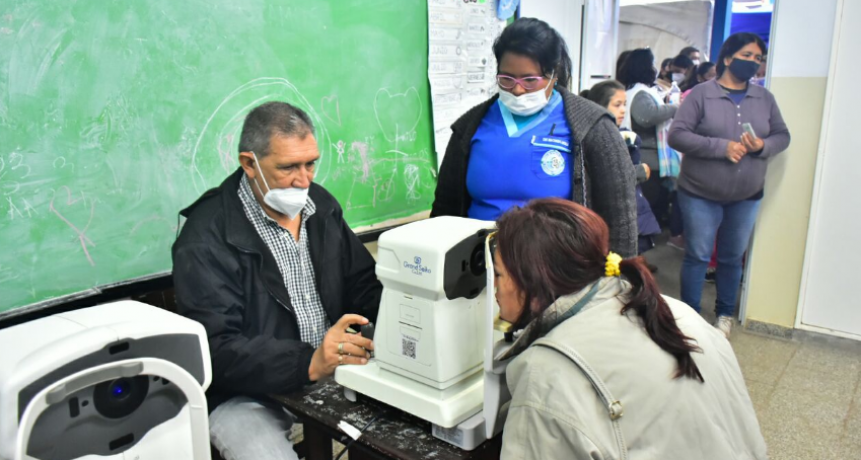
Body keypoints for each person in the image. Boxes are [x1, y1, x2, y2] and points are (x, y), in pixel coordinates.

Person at [173, 101, 383, 459]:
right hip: (245, 393)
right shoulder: (205, 237)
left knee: (395, 434)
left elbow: (363, 283)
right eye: (288, 167)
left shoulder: (320, 206)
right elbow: (216, 349)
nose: (304, 180)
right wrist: (307, 362)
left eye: (311, 163)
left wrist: (398, 321)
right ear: (249, 163)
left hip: (331, 366)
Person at [493, 198, 767, 460]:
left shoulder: (546, 375)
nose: (493, 288)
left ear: (532, 282)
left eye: (498, 274)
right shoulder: (676, 312)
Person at [432, 17, 637, 257]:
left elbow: (621, 218)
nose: (517, 90)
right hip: (480, 270)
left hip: (559, 273)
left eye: (530, 80)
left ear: (553, 74)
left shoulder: (592, 127)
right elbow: (444, 210)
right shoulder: (470, 128)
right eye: (507, 79)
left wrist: (620, 279)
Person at [668, 33, 790, 337]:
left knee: (732, 257)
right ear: (727, 58)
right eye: (746, 55)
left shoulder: (765, 98)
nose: (753, 62)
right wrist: (721, 147)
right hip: (699, 193)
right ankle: (690, 316)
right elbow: (677, 135)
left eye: (758, 58)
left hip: (746, 195)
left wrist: (762, 145)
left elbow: (782, 136)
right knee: (697, 254)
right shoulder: (700, 94)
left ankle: (724, 313)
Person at [580, 80, 660, 260]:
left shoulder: (628, 136)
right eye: (617, 105)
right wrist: (638, 171)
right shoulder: (591, 138)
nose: (623, 110)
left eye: (624, 104)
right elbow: (608, 176)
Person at [618, 48, 678, 226]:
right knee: (648, 203)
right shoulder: (640, 93)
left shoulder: (637, 90)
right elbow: (646, 116)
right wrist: (675, 108)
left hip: (647, 157)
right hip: (645, 158)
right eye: (653, 64)